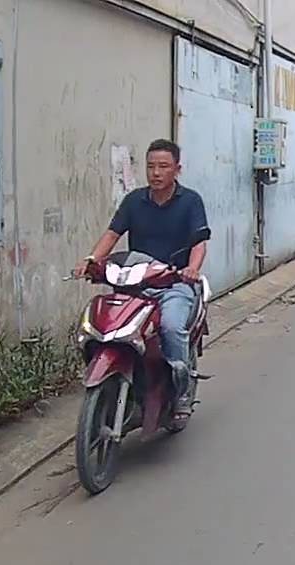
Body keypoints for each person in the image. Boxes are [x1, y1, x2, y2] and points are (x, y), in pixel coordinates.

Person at [75, 138, 210, 419]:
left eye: (163, 166)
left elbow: (199, 243)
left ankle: (181, 389)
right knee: (103, 325)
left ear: (177, 169)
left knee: (171, 327)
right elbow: (112, 235)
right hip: (134, 286)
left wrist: (192, 269)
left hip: (174, 285)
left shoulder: (191, 201)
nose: (156, 173)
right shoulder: (134, 201)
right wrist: (91, 260)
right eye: (151, 166)